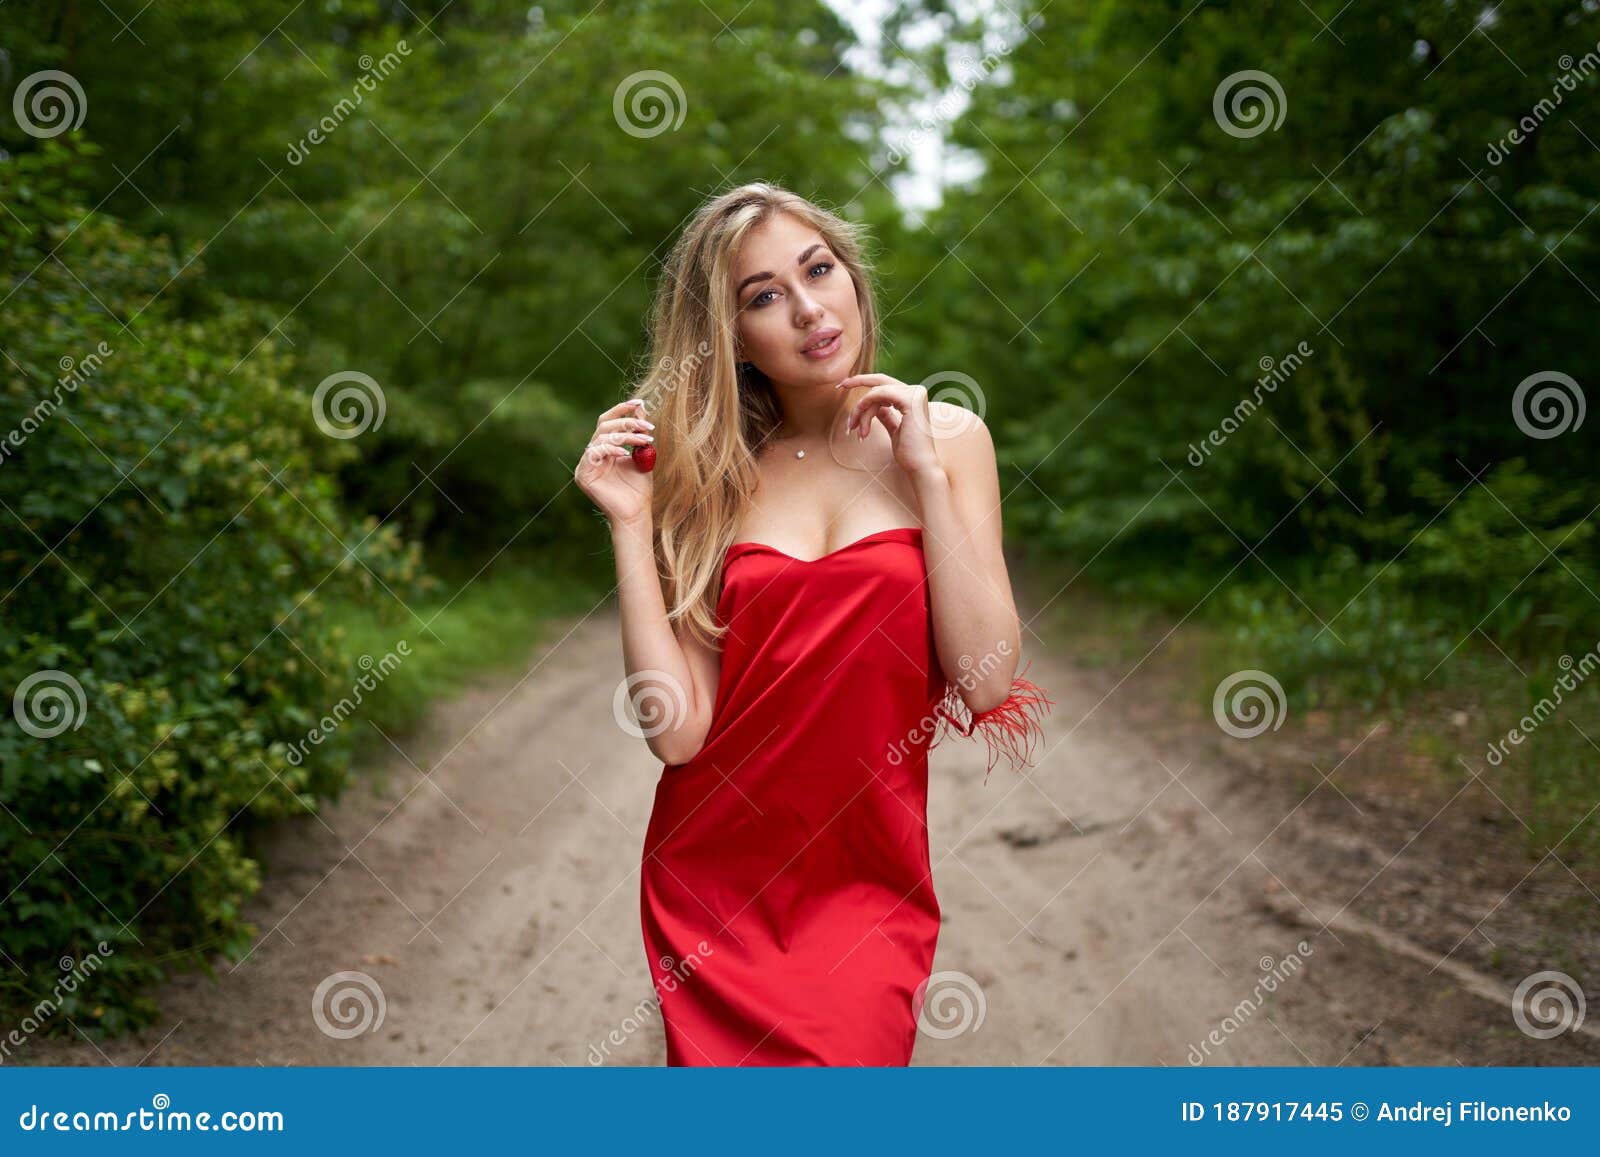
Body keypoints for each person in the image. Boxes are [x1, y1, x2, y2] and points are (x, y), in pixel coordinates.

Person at [575, 181, 1052, 1066]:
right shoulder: (709, 474)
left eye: (818, 269)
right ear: (733, 338)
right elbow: (676, 734)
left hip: (866, 882)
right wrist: (631, 524)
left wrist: (926, 480)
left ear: (853, 278)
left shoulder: (948, 439)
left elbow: (985, 677)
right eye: (763, 297)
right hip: (717, 887)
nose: (807, 309)